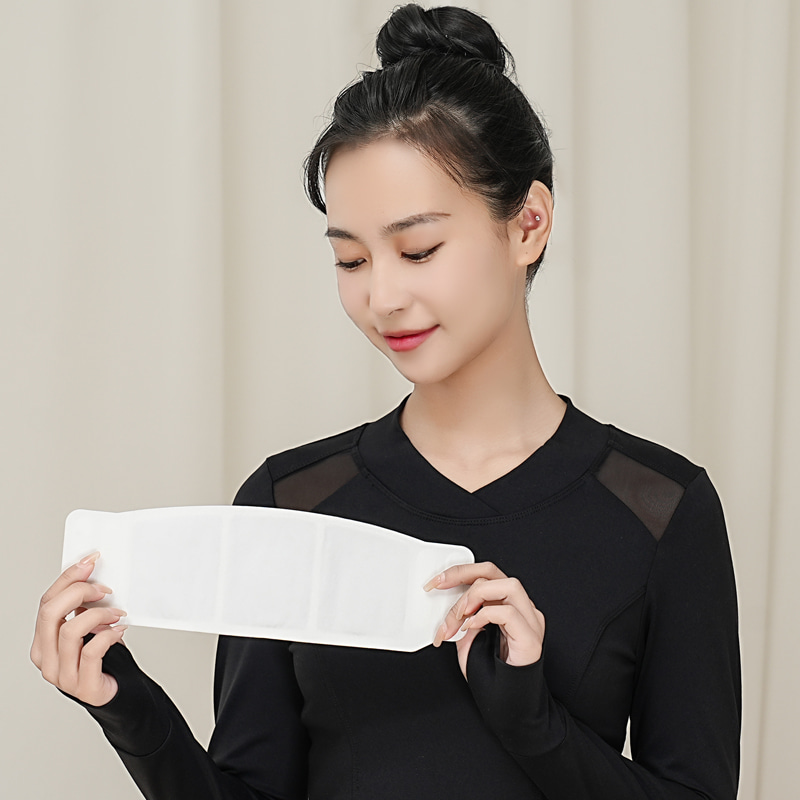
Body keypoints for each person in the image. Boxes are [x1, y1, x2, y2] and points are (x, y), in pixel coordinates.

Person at [31, 4, 741, 798]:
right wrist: (128, 708)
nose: (382, 297)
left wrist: (535, 727)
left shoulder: (661, 511)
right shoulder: (291, 504)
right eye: (351, 260)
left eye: (418, 249)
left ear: (529, 224)